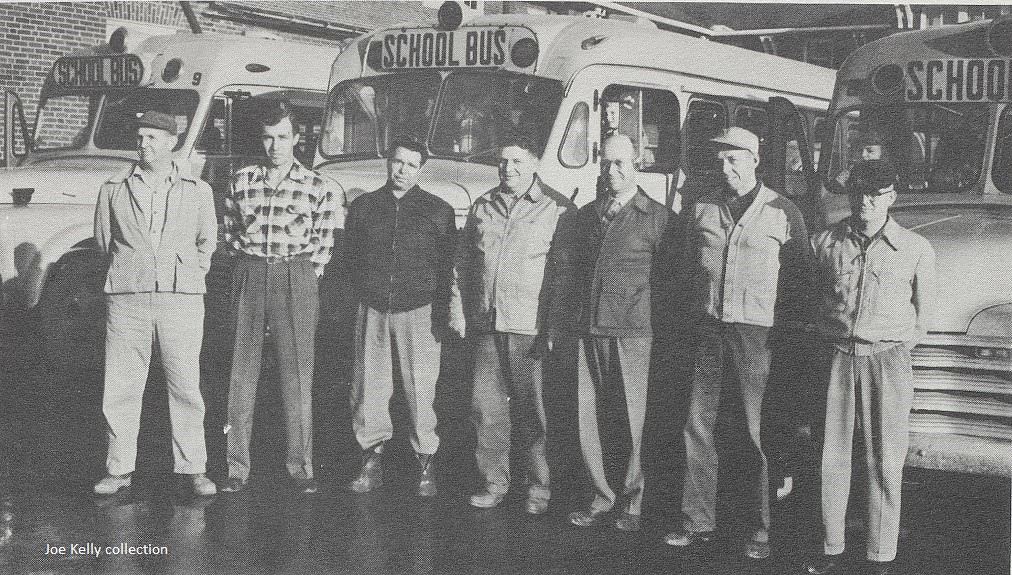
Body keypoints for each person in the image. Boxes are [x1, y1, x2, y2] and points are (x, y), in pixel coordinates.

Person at [665, 127, 809, 560]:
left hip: (757, 337)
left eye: (734, 159)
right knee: (698, 425)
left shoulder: (784, 212)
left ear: (755, 160)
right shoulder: (702, 209)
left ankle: (760, 529)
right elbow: (684, 268)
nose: (725, 168)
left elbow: (800, 282)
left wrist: (788, 343)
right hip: (708, 331)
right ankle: (697, 521)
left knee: (754, 431)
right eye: (720, 160)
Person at [804, 160, 936, 575]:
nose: (865, 200)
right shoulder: (824, 243)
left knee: (885, 458)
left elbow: (923, 319)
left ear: (891, 198)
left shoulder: (915, 249)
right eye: (858, 191)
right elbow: (808, 303)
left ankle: (881, 554)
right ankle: (831, 545)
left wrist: (888, 344)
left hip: (888, 359)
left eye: (875, 193)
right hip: (836, 357)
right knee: (831, 457)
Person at [92, 110, 218, 496]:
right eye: (140, 137)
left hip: (180, 298)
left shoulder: (197, 190)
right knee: (121, 386)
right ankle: (118, 469)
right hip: (128, 297)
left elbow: (206, 242)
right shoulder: (113, 188)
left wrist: (187, 274)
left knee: (184, 385)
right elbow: (103, 243)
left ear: (171, 142)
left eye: (151, 137)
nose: (142, 144)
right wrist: (130, 271)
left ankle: (193, 468)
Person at [220, 102, 341, 495]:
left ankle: (300, 466)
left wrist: (303, 275)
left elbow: (323, 243)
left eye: (283, 137)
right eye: (269, 137)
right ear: (261, 139)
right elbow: (229, 231)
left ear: (296, 139)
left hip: (296, 273)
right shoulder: (240, 180)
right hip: (250, 270)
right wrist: (249, 263)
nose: (275, 145)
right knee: (241, 372)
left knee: (298, 374)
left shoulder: (316, 186)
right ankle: (237, 466)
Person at [456, 135, 575, 513]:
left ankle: (538, 490)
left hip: (530, 329)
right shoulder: (483, 206)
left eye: (518, 162)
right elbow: (462, 265)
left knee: (533, 413)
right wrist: (458, 310)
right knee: (486, 409)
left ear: (535, 164)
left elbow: (564, 276)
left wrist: (553, 326)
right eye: (504, 162)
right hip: (488, 326)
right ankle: (495, 483)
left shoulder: (556, 208)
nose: (509, 169)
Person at [567, 134, 676, 533]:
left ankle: (634, 501)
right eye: (606, 163)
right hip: (590, 328)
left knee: (633, 420)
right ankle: (601, 496)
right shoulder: (587, 214)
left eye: (620, 163)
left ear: (637, 164)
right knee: (588, 418)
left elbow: (670, 281)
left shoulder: (659, 218)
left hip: (634, 331)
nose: (612, 171)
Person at [345, 137, 461, 497]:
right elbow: (349, 261)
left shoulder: (438, 210)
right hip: (373, 306)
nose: (402, 170)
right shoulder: (364, 207)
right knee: (368, 390)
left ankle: (425, 463)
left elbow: (448, 268)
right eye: (398, 162)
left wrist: (445, 312)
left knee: (420, 390)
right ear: (387, 162)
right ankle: (370, 462)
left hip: (420, 311)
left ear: (421, 169)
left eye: (411, 165)